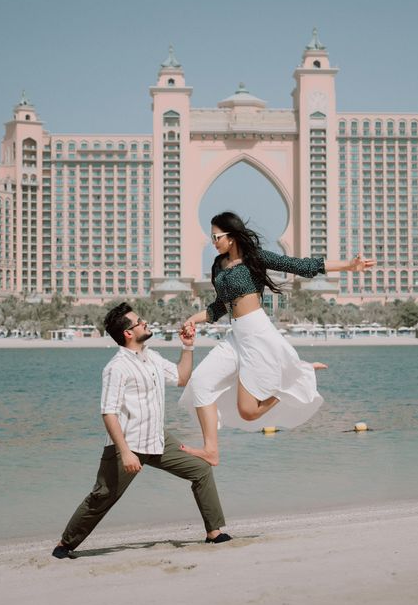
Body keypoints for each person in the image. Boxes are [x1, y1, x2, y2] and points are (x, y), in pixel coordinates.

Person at [177, 211, 376, 466]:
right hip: (236, 335)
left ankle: (295, 380)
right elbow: (220, 307)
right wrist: (192, 319)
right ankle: (211, 450)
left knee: (248, 412)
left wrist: (348, 266)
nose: (213, 242)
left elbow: (300, 265)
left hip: (258, 335)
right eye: (211, 237)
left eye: (216, 236)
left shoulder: (254, 258)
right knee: (201, 383)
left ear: (232, 236)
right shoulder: (218, 265)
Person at [52, 302, 230, 559]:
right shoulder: (116, 367)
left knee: (201, 470)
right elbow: (108, 412)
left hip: (158, 439)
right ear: (128, 333)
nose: (144, 322)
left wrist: (188, 346)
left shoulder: (152, 357)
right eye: (139, 321)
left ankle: (214, 533)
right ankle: (64, 544)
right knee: (102, 496)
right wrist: (125, 453)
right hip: (128, 444)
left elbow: (181, 377)